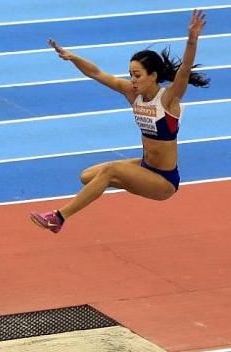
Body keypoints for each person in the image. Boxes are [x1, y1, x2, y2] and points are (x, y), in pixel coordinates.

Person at [30, 9, 209, 233]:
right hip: (145, 167)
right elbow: (97, 73)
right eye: (130, 74)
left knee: (110, 170)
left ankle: (59, 217)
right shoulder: (132, 93)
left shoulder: (169, 99)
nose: (132, 80)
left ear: (153, 76)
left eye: (137, 75)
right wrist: (73, 57)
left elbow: (183, 71)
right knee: (87, 177)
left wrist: (192, 40)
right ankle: (125, 180)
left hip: (164, 181)